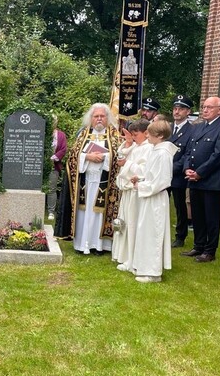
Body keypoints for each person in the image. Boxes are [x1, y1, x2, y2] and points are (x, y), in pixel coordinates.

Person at [180, 96, 220, 263]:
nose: (205, 110)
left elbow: (219, 154)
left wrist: (200, 173)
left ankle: (210, 250)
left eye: (209, 107)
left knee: (211, 216)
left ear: (219, 110)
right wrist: (187, 168)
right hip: (194, 177)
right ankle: (198, 245)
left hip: (211, 179)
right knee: (197, 214)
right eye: (204, 107)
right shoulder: (199, 127)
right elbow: (189, 150)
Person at [65, 103, 122, 254]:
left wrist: (105, 157)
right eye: (96, 116)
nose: (99, 119)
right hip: (86, 181)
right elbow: (72, 156)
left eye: (102, 116)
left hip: (105, 182)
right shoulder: (83, 134)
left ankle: (100, 246)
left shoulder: (114, 135)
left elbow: (119, 156)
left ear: (107, 118)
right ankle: (83, 244)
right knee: (85, 212)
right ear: (90, 118)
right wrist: (87, 156)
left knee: (100, 213)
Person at [132, 120, 178, 282]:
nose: (146, 136)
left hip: (156, 198)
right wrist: (141, 178)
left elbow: (162, 181)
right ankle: (143, 265)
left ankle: (153, 272)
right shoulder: (155, 150)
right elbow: (152, 174)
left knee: (154, 232)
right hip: (149, 196)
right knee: (145, 230)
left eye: (149, 134)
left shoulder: (164, 154)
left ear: (159, 136)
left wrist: (141, 186)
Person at [112, 119, 152, 271]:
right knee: (125, 222)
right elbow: (124, 155)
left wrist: (126, 164)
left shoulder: (148, 148)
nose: (134, 137)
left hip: (136, 192)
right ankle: (123, 255)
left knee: (132, 223)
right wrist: (128, 143)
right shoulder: (138, 146)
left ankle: (132, 258)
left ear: (146, 133)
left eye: (136, 134)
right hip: (128, 191)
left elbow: (143, 170)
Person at [169, 95, 195, 247]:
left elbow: (188, 154)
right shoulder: (168, 128)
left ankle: (180, 236)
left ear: (188, 112)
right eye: (175, 108)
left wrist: (173, 168)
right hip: (163, 173)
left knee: (180, 206)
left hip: (177, 174)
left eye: (181, 109)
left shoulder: (192, 130)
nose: (177, 112)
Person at [47, 116, 67, 221]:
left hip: (53, 165)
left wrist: (53, 158)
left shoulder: (61, 135)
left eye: (54, 121)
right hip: (38, 166)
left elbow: (63, 149)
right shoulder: (42, 132)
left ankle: (51, 211)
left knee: (52, 189)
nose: (52, 123)